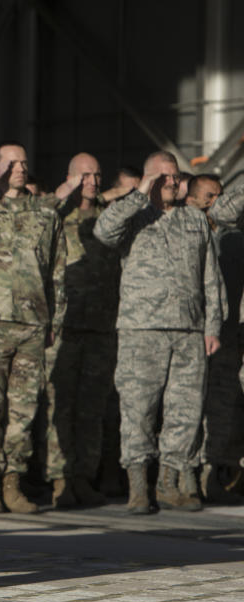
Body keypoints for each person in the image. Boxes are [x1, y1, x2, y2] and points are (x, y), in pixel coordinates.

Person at [94, 151, 225, 514]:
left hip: (188, 328)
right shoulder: (133, 215)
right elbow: (103, 231)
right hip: (142, 329)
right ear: (148, 180)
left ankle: (170, 481)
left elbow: (210, 277)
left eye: (175, 176)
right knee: (139, 408)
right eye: (163, 177)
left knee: (185, 409)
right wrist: (139, 194)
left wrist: (212, 325)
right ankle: (139, 485)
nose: (172, 182)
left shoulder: (195, 220)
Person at [0, 141, 66, 515]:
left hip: (32, 323)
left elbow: (57, 272)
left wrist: (54, 321)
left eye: (22, 162)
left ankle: (13, 483)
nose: (19, 168)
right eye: (10, 163)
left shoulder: (45, 214)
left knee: (23, 410)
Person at [43, 152, 119, 507]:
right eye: (85, 175)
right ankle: (59, 480)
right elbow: (38, 221)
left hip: (101, 325)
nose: (93, 181)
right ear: (71, 177)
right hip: (65, 325)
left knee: (92, 407)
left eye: (97, 174)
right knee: (60, 406)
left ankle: (84, 476)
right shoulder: (58, 213)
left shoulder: (109, 216)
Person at [186, 174, 244, 503]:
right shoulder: (184, 230)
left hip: (225, 334)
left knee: (223, 406)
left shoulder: (233, 238)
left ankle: (214, 473)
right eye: (209, 196)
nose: (215, 203)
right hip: (191, 332)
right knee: (189, 406)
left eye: (220, 197)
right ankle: (183, 474)